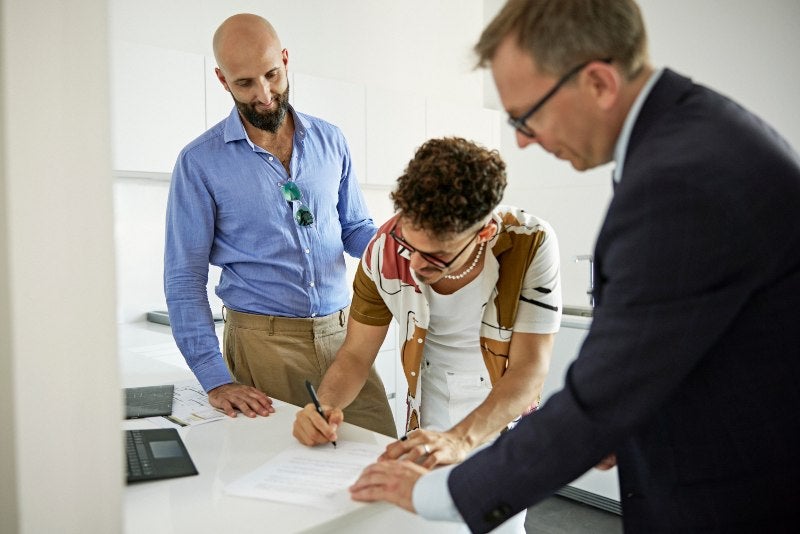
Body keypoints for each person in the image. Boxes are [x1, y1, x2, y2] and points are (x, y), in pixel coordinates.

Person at [348, 0, 800, 532]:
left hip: (730, 498)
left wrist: (437, 494)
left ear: (599, 84)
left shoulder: (680, 179)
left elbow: (604, 390)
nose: (520, 138)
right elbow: (680, 348)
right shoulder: (691, 138)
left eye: (525, 115)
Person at [293, 137, 562, 532]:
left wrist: (461, 439)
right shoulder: (383, 249)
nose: (414, 264)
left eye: (435, 256)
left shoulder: (529, 241)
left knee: (497, 523)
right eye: (408, 243)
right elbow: (355, 355)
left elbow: (529, 369)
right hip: (429, 405)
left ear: (483, 234)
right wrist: (325, 406)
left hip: (503, 410)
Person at [164, 13, 396, 437]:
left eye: (272, 74)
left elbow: (354, 227)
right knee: (287, 479)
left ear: (286, 60)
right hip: (262, 345)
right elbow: (184, 278)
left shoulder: (331, 140)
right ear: (222, 80)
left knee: (380, 453)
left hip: (345, 337)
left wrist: (396, 250)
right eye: (245, 83)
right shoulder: (199, 162)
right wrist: (215, 377)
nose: (265, 95)